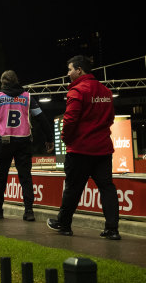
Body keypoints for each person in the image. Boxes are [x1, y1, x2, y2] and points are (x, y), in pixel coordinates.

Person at [47, 55, 121, 239]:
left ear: (79, 70)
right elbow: (110, 118)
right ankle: (112, 229)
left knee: (73, 188)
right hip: (103, 150)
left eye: (70, 69)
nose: (68, 73)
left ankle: (64, 225)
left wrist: (66, 139)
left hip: (80, 150)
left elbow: (70, 120)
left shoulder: (77, 91)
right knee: (107, 188)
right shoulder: (105, 91)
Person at [0, 70, 54, 222]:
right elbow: (42, 119)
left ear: (3, 83)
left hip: (4, 142)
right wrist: (49, 138)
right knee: (25, 178)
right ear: (17, 81)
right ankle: (29, 211)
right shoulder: (28, 97)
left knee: (0, 178)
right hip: (23, 142)